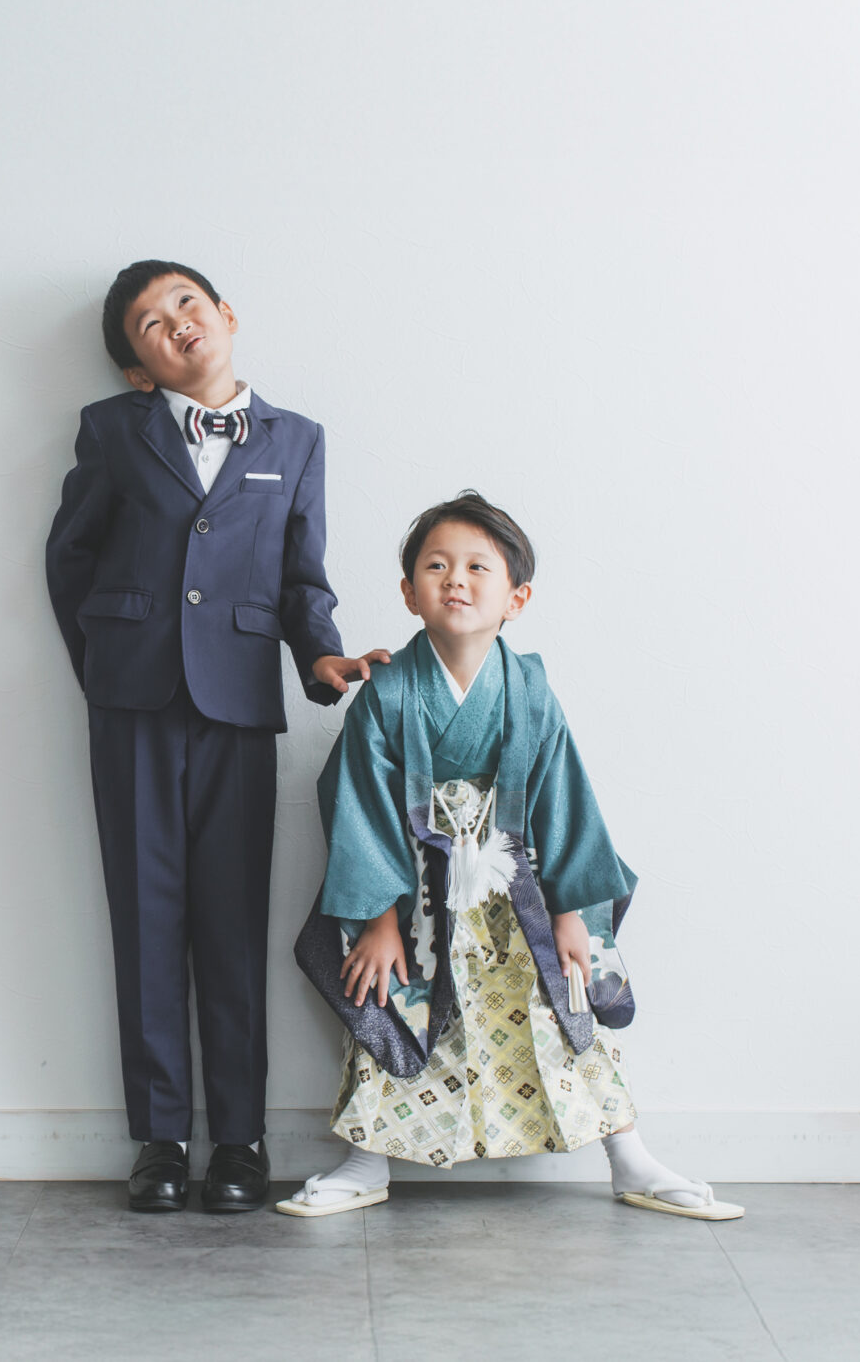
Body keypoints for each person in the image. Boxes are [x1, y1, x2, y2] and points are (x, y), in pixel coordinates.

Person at [277, 492, 742, 1221]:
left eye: (477, 567)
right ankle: (366, 1161)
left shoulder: (529, 689)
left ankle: (629, 1156)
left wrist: (571, 909)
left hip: (513, 891)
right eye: (436, 566)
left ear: (516, 598)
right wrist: (378, 919)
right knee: (394, 1002)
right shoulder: (387, 693)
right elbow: (357, 800)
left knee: (562, 1001)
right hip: (415, 896)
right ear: (409, 592)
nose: (455, 580)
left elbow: (564, 797)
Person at [47, 260, 390, 1214]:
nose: (175, 324)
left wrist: (321, 657)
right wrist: (107, 666)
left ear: (227, 314)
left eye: (186, 304)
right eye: (149, 325)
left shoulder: (297, 439)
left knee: (232, 925)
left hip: (238, 702)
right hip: (133, 706)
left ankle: (239, 1138)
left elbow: (301, 578)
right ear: (138, 371)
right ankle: (160, 1139)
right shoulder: (112, 431)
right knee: (145, 918)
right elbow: (69, 558)